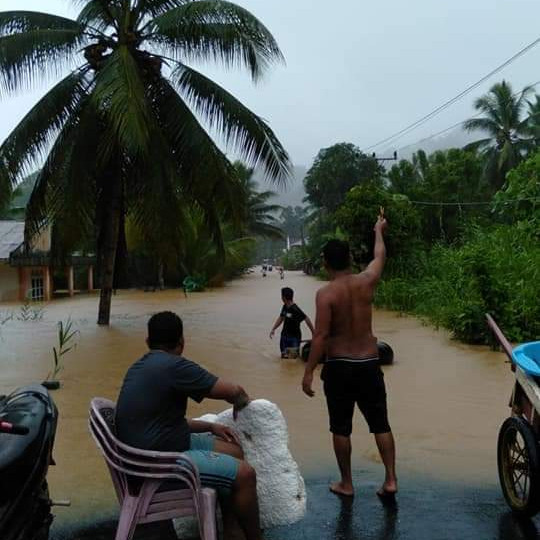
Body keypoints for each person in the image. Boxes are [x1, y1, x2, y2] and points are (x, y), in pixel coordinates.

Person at [115, 311, 263, 540]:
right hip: (158, 465)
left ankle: (232, 528)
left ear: (147, 342)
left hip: (147, 454)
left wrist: (209, 426)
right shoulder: (175, 366)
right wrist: (242, 403)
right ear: (182, 343)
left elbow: (160, 420)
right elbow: (233, 391)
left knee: (234, 450)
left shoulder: (140, 366)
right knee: (246, 475)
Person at [301, 216, 397, 500]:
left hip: (340, 367)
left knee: (341, 428)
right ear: (351, 259)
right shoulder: (367, 281)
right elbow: (380, 255)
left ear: (325, 263)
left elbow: (319, 337)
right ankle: (391, 479)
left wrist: (307, 373)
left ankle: (347, 483)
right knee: (381, 423)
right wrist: (378, 230)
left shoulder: (325, 294)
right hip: (369, 363)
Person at [270, 287, 314, 358]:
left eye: (281, 296)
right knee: (284, 358)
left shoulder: (295, 309)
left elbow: (306, 319)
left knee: (293, 360)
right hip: (284, 337)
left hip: (294, 338)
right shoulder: (285, 307)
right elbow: (281, 318)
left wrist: (313, 333)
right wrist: (273, 329)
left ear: (284, 297)